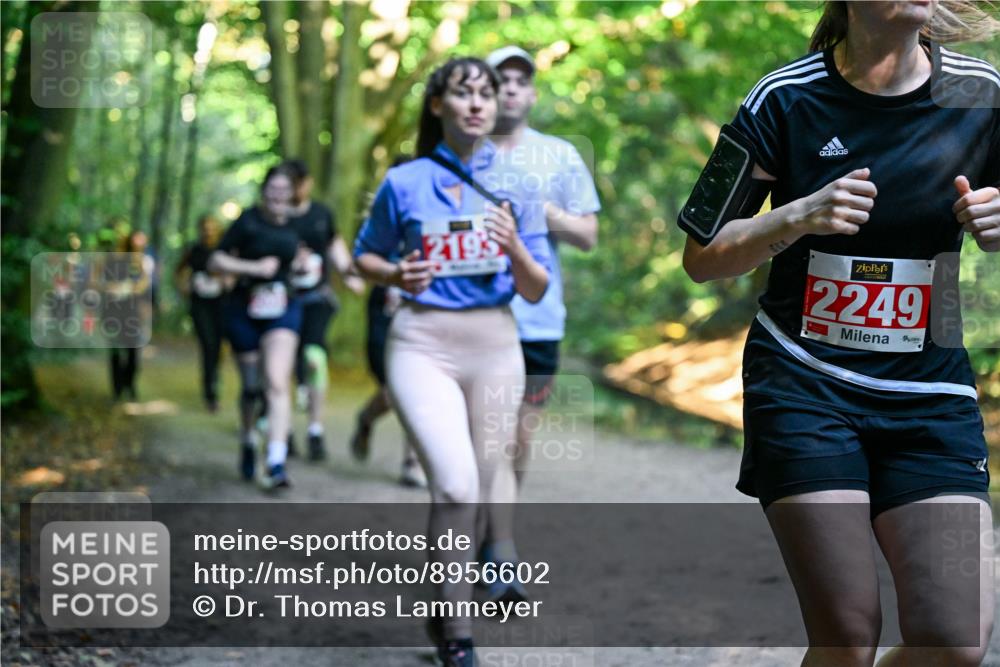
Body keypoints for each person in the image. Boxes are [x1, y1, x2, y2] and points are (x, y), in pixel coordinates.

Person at [678, 2, 999, 665]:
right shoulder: (784, 99)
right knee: (848, 636)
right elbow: (703, 255)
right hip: (803, 384)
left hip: (931, 393)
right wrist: (794, 215)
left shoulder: (981, 93)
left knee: (957, 638)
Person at [354, 57, 550, 667]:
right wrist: (394, 271)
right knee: (457, 484)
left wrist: (514, 243)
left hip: (495, 344)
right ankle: (461, 642)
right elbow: (365, 258)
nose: (476, 104)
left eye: (485, 95)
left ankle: (445, 602)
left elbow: (538, 287)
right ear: (436, 105)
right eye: (462, 93)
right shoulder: (404, 181)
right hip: (422, 344)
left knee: (485, 481)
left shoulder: (518, 182)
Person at [482, 45, 602, 603]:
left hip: (537, 319)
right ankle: (494, 548)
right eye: (498, 79)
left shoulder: (558, 156)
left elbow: (587, 235)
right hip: (472, 313)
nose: (509, 88)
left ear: (531, 93)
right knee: (482, 437)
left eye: (519, 81)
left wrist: (538, 208)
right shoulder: (461, 152)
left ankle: (496, 541)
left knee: (516, 437)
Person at [210, 165, 304, 489]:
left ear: (292, 193)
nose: (278, 195)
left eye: (284, 189)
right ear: (263, 191)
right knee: (252, 388)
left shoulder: (299, 223)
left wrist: (306, 265)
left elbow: (319, 252)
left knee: (277, 382)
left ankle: (276, 462)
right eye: (272, 188)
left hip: (283, 308)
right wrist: (253, 267)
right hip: (243, 309)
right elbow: (216, 261)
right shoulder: (247, 221)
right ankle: (249, 438)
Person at [349, 154, 427, 489]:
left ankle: (412, 460)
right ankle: (367, 417)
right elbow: (362, 260)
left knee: (417, 389)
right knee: (395, 391)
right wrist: (389, 279)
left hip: (421, 315)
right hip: (383, 315)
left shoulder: (430, 213)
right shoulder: (380, 217)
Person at [283, 158, 365, 461]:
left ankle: (315, 429)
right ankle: (285, 428)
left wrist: (350, 275)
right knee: (285, 366)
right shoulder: (274, 216)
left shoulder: (321, 214)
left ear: (307, 183)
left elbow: (337, 249)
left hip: (317, 298)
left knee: (314, 358)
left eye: (298, 182)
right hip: (283, 300)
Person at [175, 215, 228, 412]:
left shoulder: (224, 249)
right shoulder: (193, 250)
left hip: (220, 304)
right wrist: (184, 286)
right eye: (205, 227)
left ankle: (214, 376)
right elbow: (179, 271)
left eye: (212, 227)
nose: (208, 231)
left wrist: (227, 281)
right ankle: (210, 391)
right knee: (207, 343)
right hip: (200, 305)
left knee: (219, 346)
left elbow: (234, 272)